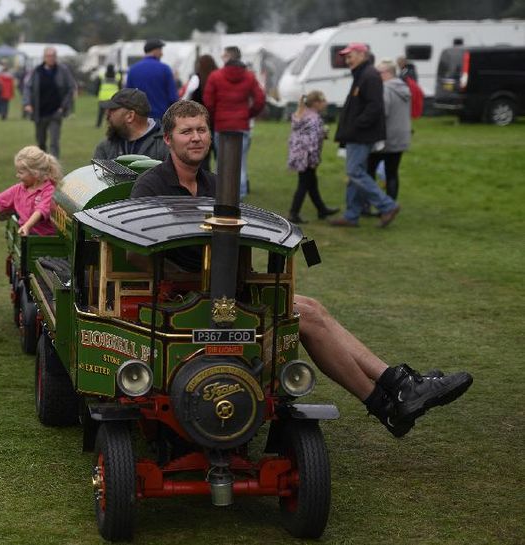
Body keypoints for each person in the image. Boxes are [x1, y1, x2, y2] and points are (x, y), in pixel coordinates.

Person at [132, 100, 473, 437]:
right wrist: (188, 278)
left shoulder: (218, 183)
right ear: (168, 140)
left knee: (311, 308)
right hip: (175, 302)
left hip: (223, 293)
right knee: (305, 316)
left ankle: (397, 384)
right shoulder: (150, 187)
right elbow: (136, 253)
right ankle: (385, 403)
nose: (196, 138)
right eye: (186, 131)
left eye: (202, 130)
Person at [329, 43, 401, 228]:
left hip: (360, 135)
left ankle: (387, 205)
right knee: (355, 173)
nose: (347, 59)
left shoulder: (369, 76)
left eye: (350, 55)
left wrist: (356, 126)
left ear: (362, 54)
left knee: (355, 172)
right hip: (357, 134)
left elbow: (374, 106)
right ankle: (351, 215)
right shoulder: (363, 74)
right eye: (345, 56)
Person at [203, 46, 265, 199]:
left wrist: (215, 115)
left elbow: (208, 101)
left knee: (221, 161)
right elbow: (260, 99)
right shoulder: (249, 76)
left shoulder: (215, 76)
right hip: (241, 125)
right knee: (241, 163)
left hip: (221, 125)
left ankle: (219, 193)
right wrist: (249, 114)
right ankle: (240, 195)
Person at [286, 90, 340, 223]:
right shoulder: (314, 119)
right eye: (323, 101)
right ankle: (294, 213)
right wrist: (314, 160)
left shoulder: (301, 115)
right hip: (308, 157)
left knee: (311, 183)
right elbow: (313, 142)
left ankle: (321, 209)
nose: (326, 103)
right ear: (316, 103)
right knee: (304, 184)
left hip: (299, 155)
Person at [366, 60, 411, 202]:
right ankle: (391, 205)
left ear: (387, 73)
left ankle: (375, 204)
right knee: (392, 173)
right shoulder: (404, 88)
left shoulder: (384, 88)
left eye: (378, 73)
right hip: (401, 136)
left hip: (385, 137)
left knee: (369, 171)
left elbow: (381, 112)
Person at [23, 47, 76, 158]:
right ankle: (42, 162)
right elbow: (28, 87)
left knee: (54, 142)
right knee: (41, 141)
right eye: (49, 56)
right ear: (44, 57)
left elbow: (71, 88)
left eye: (53, 56)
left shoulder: (63, 70)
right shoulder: (37, 71)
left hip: (56, 112)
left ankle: (54, 165)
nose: (51, 58)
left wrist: (63, 107)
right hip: (40, 112)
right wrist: (27, 103)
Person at [93, 88, 168, 161]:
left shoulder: (166, 145)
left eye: (112, 109)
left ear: (130, 116)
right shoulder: (105, 147)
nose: (107, 114)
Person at [180, 54, 218, 170]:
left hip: (199, 121)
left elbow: (186, 98)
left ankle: (204, 182)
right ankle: (221, 184)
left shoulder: (196, 78)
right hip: (216, 121)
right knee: (220, 156)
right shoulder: (218, 77)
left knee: (202, 155)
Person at [125, 39, 178, 121]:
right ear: (155, 50)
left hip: (139, 117)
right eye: (160, 50)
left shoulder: (132, 69)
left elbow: (128, 96)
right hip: (161, 117)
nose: (162, 53)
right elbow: (172, 97)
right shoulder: (165, 69)